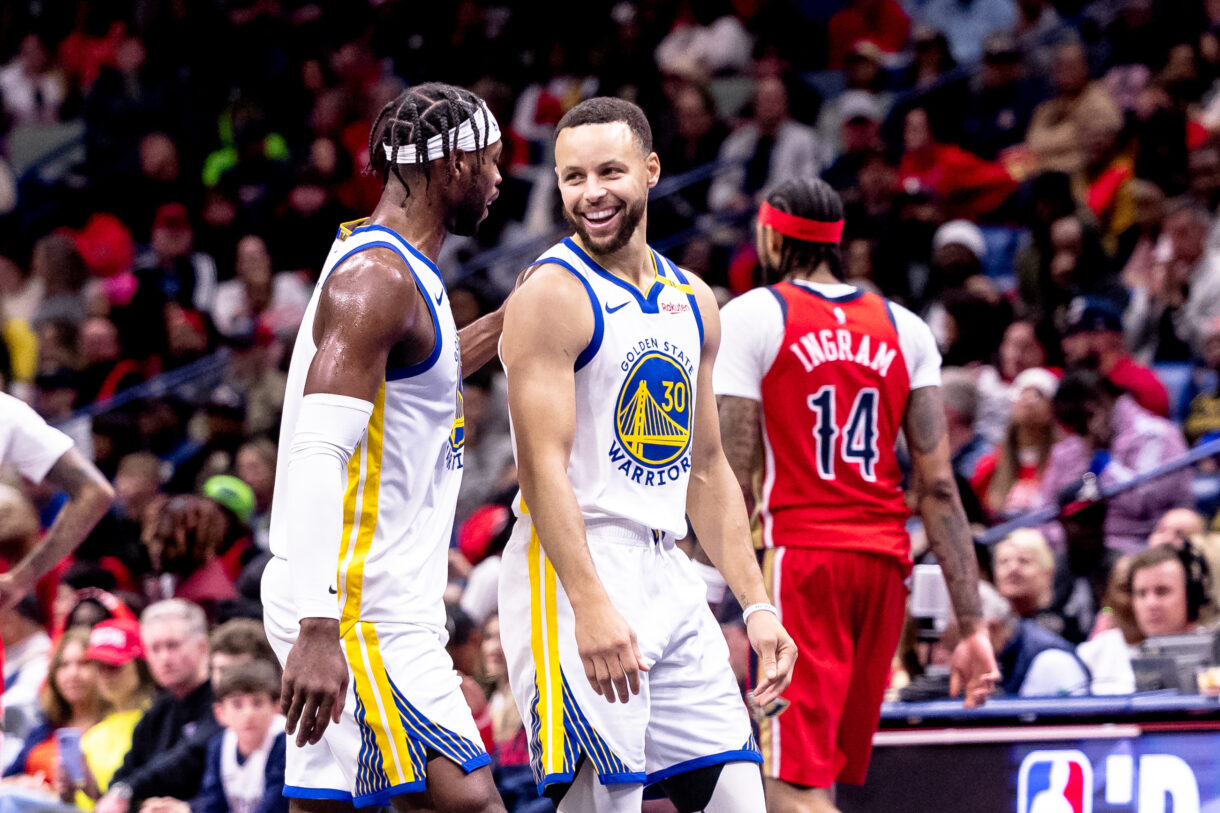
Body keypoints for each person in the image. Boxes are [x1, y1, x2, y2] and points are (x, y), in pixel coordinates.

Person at [498, 97, 796, 813]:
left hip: (668, 568)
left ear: (652, 170)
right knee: (607, 803)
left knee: (738, 798)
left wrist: (757, 603)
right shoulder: (550, 294)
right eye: (572, 178)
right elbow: (541, 471)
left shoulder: (692, 297)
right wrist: (591, 604)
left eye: (609, 171)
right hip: (570, 567)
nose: (590, 192)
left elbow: (709, 467)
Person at [712, 177, 998, 813]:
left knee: (788, 784)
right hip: (884, 567)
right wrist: (972, 625)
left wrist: (705, 573)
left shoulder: (755, 314)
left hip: (803, 563)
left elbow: (734, 468)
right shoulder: (906, 327)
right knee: (820, 779)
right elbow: (940, 487)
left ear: (770, 234)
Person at [261, 82, 509, 813]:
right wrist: (317, 624)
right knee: (468, 803)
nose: (499, 180)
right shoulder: (380, 280)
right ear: (452, 164)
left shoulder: (395, 271)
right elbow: (316, 453)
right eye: (491, 162)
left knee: (324, 807)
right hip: (355, 607)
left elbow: (416, 379)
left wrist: (505, 320)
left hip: (358, 597)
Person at [1040, 370, 1191, 553]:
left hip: (1144, 546)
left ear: (1099, 406)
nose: (1080, 435)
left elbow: (1144, 502)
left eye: (1083, 422)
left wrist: (1103, 461)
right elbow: (1045, 512)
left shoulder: (1155, 435)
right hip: (1078, 552)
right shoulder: (1069, 449)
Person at [98, 600, 217, 813]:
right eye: (155, 648)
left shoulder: (223, 702)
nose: (164, 658)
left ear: (202, 646)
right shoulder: (156, 714)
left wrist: (128, 790)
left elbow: (188, 757)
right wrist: (126, 793)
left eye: (172, 645)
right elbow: (122, 777)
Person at [0, 392, 114, 613]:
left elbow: (94, 493)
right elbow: (94, 492)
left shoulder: (7, 414)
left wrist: (21, 579)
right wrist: (21, 580)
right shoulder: (7, 412)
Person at [141, 660, 288, 813]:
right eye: (237, 704)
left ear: (276, 708)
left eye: (257, 703)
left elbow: (274, 807)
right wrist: (186, 808)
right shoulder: (218, 745)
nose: (248, 714)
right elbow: (213, 802)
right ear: (220, 713)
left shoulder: (285, 743)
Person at [69, 618, 156, 810]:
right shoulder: (93, 736)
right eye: (99, 666)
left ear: (140, 666)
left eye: (114, 665)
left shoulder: (157, 724)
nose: (105, 674)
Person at [2, 628, 101, 786]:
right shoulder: (45, 727)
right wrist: (22, 781)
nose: (72, 673)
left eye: (83, 663)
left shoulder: (113, 726)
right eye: (64, 665)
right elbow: (6, 779)